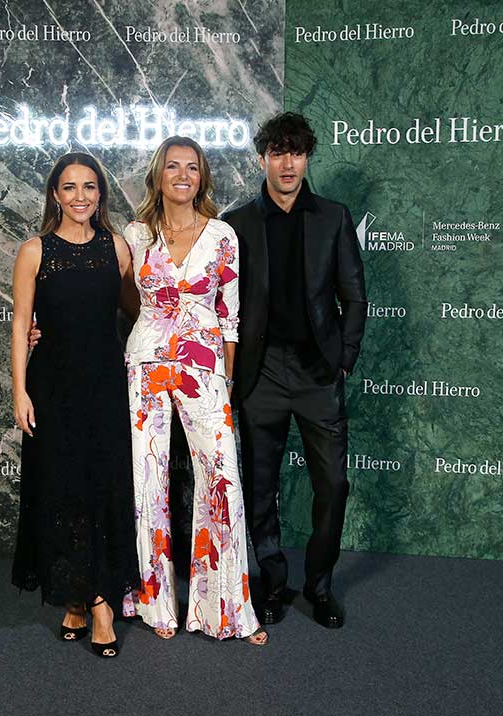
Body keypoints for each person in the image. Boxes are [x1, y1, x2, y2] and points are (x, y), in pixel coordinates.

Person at [221, 112, 367, 629]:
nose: (287, 163)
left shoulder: (333, 216)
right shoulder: (235, 224)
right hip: (260, 374)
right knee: (260, 486)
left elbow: (354, 294)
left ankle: (320, 586)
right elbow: (218, 303)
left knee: (334, 484)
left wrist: (342, 361)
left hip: (317, 372)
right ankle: (273, 581)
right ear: (262, 158)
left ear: (307, 157)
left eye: (297, 152)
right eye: (278, 152)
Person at [121, 136, 267, 645]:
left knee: (221, 475)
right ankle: (153, 601)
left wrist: (225, 380)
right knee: (146, 482)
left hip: (204, 369)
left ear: (202, 177)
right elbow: (117, 298)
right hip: (145, 363)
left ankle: (225, 609)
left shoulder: (223, 234)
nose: (183, 175)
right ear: (158, 175)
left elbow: (230, 317)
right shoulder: (136, 235)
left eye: (193, 167)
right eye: (173, 166)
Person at [10, 152, 139, 658]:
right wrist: (19, 390)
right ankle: (75, 599)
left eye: (89, 187)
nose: (80, 196)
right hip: (53, 390)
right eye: (69, 187)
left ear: (100, 195)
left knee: (101, 489)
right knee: (62, 491)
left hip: (106, 388)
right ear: (54, 194)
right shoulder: (34, 251)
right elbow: (22, 325)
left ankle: (101, 601)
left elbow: (138, 313)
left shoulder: (119, 249)